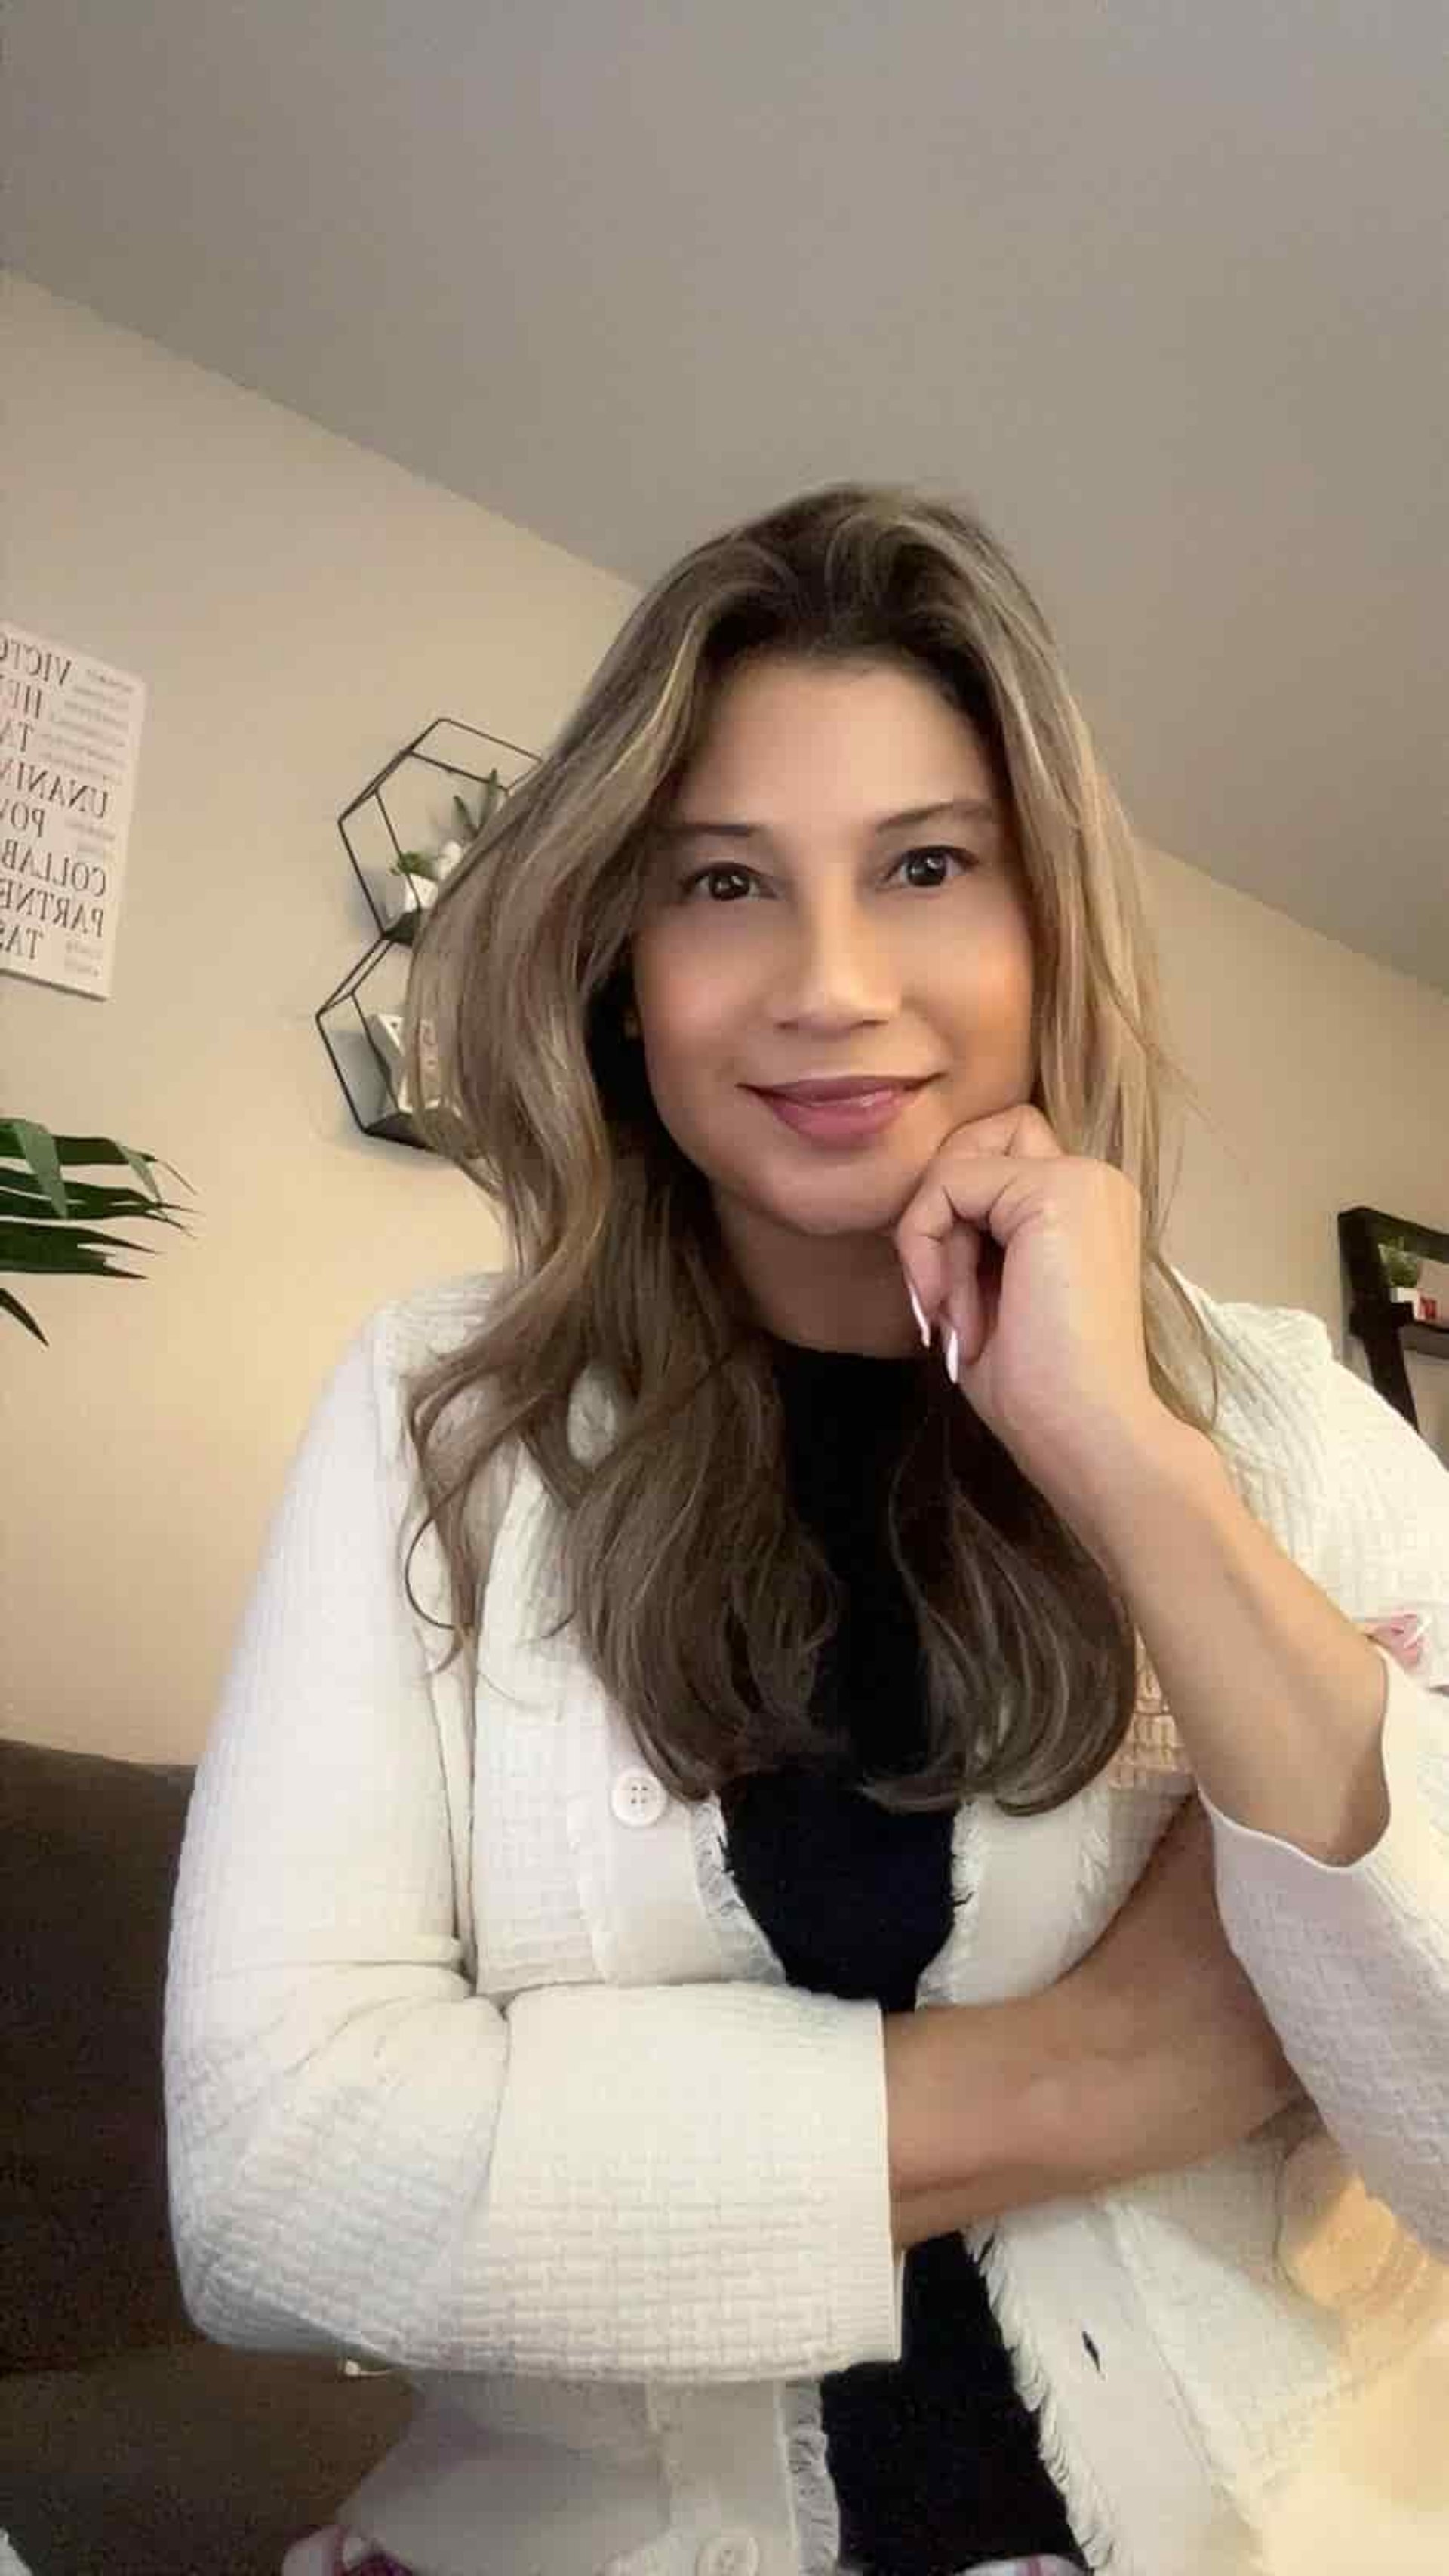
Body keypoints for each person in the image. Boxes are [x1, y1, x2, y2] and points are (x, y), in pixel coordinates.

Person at [163, 484, 1449, 2576]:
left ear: (1048, 932)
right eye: (727, 884)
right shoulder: (441, 1413)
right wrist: (1101, 2070)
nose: (832, 986)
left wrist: (1129, 1452)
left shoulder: (1291, 1424)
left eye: (929, 867)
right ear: (619, 958)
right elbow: (279, 2195)